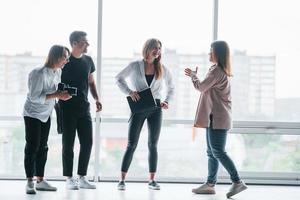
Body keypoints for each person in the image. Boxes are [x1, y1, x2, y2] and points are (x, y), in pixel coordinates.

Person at [184, 40, 247, 198]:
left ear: (217, 53)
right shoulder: (217, 70)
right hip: (215, 118)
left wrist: (193, 76)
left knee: (218, 151)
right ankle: (210, 184)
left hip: (218, 118)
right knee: (211, 152)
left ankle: (237, 181)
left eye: (210, 50)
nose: (208, 53)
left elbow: (201, 87)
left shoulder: (217, 71)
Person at [115, 38, 175, 190]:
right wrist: (129, 91)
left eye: (159, 48)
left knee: (152, 145)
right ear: (147, 48)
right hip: (138, 108)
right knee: (131, 144)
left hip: (156, 108)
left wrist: (167, 101)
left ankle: (152, 180)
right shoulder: (135, 66)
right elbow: (118, 79)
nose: (157, 50)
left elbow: (171, 87)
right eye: (155, 47)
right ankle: (121, 181)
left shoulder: (162, 68)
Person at [23, 45, 71, 194]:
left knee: (43, 147)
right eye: (65, 57)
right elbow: (34, 98)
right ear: (56, 57)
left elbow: (53, 91)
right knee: (32, 147)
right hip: (32, 114)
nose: (67, 61)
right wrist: (57, 95)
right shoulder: (37, 73)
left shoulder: (58, 71)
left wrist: (62, 93)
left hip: (46, 114)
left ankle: (40, 180)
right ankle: (30, 181)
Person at [60, 31, 102, 190]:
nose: (88, 44)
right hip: (66, 108)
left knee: (87, 142)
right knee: (68, 144)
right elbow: (55, 79)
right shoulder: (64, 61)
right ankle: (69, 178)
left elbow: (91, 83)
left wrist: (97, 98)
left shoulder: (88, 60)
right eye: (84, 42)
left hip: (84, 108)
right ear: (75, 43)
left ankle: (82, 177)